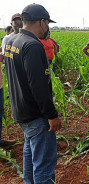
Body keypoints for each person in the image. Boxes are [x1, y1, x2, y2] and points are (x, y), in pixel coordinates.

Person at [3, 3, 61, 183]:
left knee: (29, 155)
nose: (48, 28)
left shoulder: (12, 40)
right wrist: (51, 115)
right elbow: (39, 86)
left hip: (21, 111)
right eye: (48, 23)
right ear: (41, 22)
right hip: (36, 115)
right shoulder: (33, 45)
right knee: (44, 166)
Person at [0, 13, 23, 147]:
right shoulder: (7, 39)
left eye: (19, 20)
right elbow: (4, 57)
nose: (17, 22)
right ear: (11, 23)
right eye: (15, 20)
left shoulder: (25, 37)